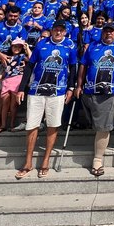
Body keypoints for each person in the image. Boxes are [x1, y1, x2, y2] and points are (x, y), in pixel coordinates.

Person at [14, 21, 78, 179]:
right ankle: (27, 162)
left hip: (58, 90)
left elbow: (73, 69)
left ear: (65, 32)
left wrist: (71, 88)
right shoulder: (42, 43)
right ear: (51, 31)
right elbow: (30, 66)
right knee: (32, 125)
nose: (58, 32)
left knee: (53, 124)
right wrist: (22, 88)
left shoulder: (70, 46)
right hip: (37, 89)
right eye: (56, 29)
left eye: (61, 30)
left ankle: (45, 160)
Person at [74, 22, 114, 177]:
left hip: (109, 92)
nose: (109, 34)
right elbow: (83, 65)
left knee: (103, 127)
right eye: (106, 31)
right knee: (96, 124)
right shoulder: (93, 46)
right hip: (89, 90)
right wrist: (79, 85)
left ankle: (97, 160)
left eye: (111, 31)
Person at [0, 38, 31, 133]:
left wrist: (27, 48)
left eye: (19, 47)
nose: (17, 48)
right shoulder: (7, 58)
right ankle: (3, 124)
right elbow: (5, 72)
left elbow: (31, 58)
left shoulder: (23, 57)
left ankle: (12, 124)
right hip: (7, 81)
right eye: (15, 46)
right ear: (11, 47)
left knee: (13, 105)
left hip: (17, 81)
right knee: (5, 104)